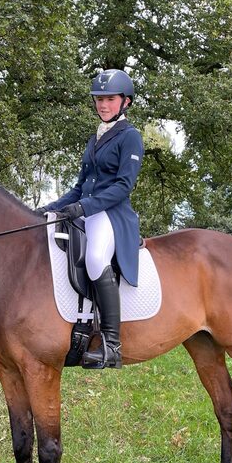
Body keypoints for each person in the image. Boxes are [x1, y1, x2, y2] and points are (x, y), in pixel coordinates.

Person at [38, 69, 144, 369]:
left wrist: (84, 207)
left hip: (112, 214)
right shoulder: (94, 138)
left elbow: (123, 186)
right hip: (88, 211)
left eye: (110, 99)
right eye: (99, 99)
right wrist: (49, 209)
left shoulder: (130, 137)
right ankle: (77, 321)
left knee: (96, 258)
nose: (103, 105)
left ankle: (112, 344)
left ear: (125, 102)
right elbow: (80, 187)